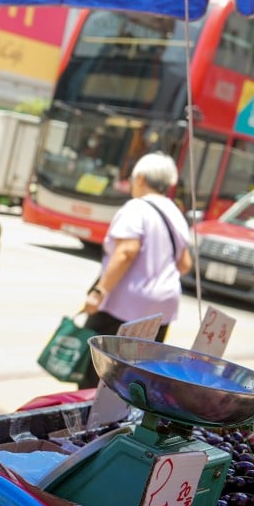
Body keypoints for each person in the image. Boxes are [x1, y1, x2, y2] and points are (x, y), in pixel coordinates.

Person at [79, 152, 193, 389]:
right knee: (138, 374)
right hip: (163, 306)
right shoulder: (175, 212)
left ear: (140, 178)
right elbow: (184, 265)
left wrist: (99, 292)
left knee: (100, 373)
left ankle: (94, 420)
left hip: (126, 305)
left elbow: (126, 252)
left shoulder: (136, 208)